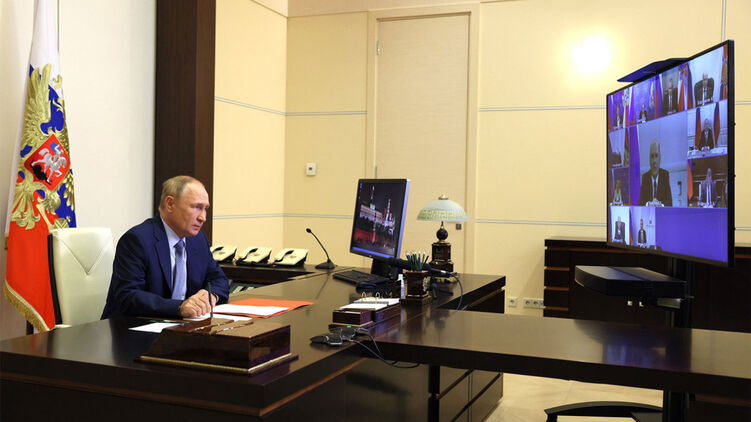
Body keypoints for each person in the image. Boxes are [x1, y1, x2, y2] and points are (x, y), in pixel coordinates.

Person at [102, 176, 229, 319]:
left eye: (205, 209)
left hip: (181, 326)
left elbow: (219, 280)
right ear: (170, 204)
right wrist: (179, 307)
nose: (203, 217)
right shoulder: (137, 240)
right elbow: (128, 296)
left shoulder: (198, 240)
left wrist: (210, 295)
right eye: (196, 207)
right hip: (132, 326)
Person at [638, 141, 673, 206]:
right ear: (649, 160)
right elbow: (640, 203)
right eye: (652, 156)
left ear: (660, 158)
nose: (654, 161)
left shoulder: (665, 175)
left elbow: (669, 203)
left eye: (656, 156)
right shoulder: (645, 177)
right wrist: (649, 204)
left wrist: (660, 205)